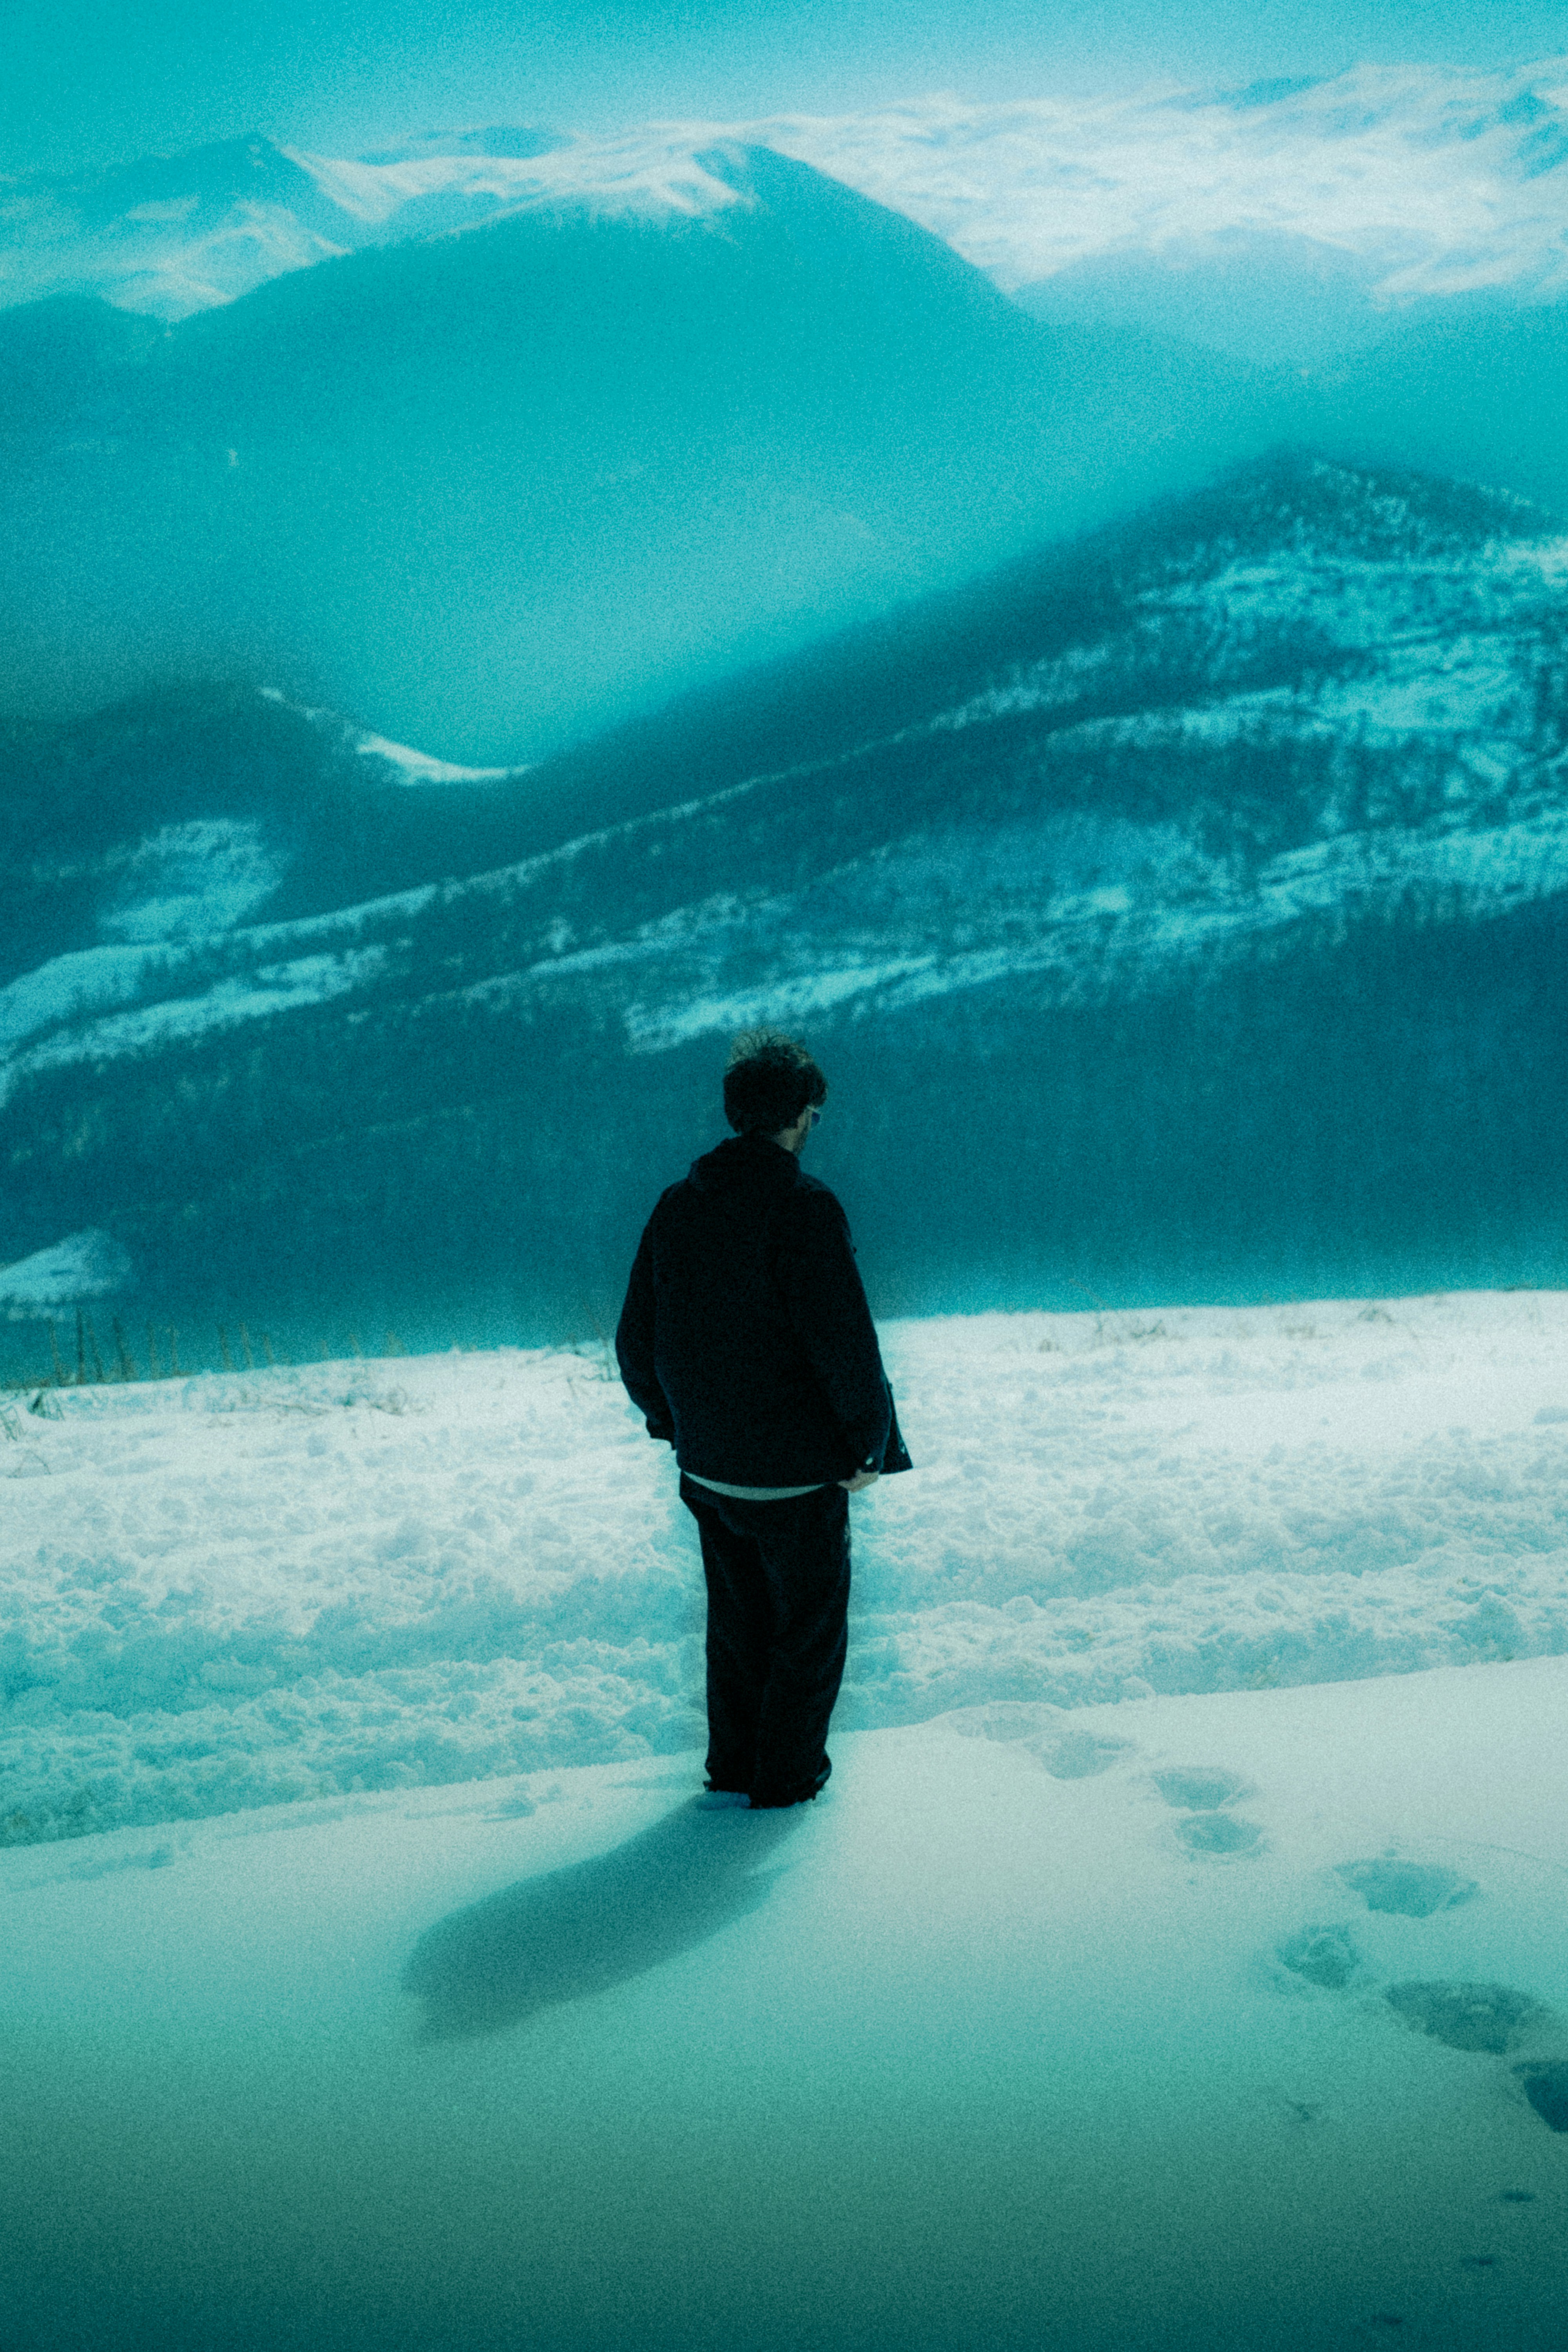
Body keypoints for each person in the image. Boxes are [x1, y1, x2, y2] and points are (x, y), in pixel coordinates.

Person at [615, 1028, 911, 1810]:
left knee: (736, 1628)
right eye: (816, 1110)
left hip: (708, 1469)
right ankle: (784, 1784)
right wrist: (868, 1447)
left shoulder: (677, 1204)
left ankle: (733, 1769)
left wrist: (670, 1425)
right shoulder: (802, 1207)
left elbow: (633, 1340)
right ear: (803, 1113)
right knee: (807, 1634)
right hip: (792, 1476)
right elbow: (843, 1344)